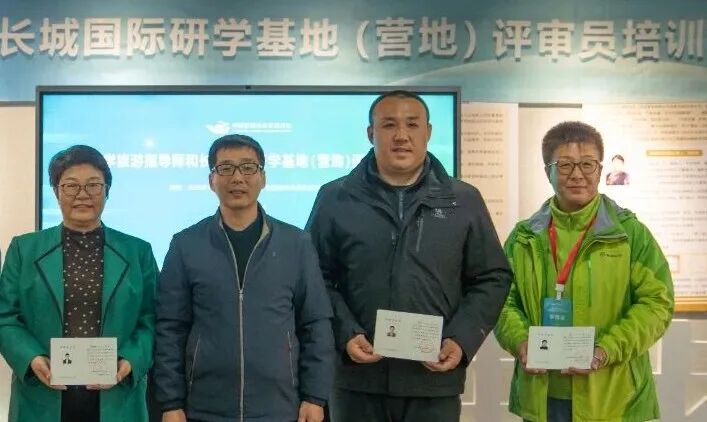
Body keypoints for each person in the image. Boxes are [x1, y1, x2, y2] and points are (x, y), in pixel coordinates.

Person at [306, 90, 513, 422]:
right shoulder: (335, 198)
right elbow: (314, 276)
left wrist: (460, 339)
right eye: (389, 125)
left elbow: (492, 277)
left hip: (433, 378)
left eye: (412, 125)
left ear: (428, 132)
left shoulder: (463, 200)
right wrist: (345, 333)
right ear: (371, 133)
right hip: (356, 378)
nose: (401, 135)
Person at [495, 121, 674, 422]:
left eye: (587, 164)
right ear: (548, 171)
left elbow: (657, 303)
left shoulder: (630, 235)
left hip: (615, 399)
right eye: (565, 165)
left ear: (600, 170)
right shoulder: (524, 238)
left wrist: (606, 349)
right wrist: (521, 341)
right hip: (543, 398)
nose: (577, 174)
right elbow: (501, 300)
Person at [154, 134, 334, 422]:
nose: (237, 177)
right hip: (205, 408)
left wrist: (314, 396)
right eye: (226, 168)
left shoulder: (296, 244)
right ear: (211, 180)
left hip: (280, 407)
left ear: (263, 178)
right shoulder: (186, 245)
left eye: (248, 167)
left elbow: (315, 324)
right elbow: (170, 328)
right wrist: (170, 402)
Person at [0, 145, 158, 422]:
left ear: (107, 191)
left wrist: (130, 361)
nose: (82, 195)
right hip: (42, 396)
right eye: (71, 185)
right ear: (56, 191)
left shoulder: (138, 252)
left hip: (117, 396)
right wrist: (32, 358)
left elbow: (152, 318)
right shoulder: (24, 249)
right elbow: (5, 317)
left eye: (94, 185)